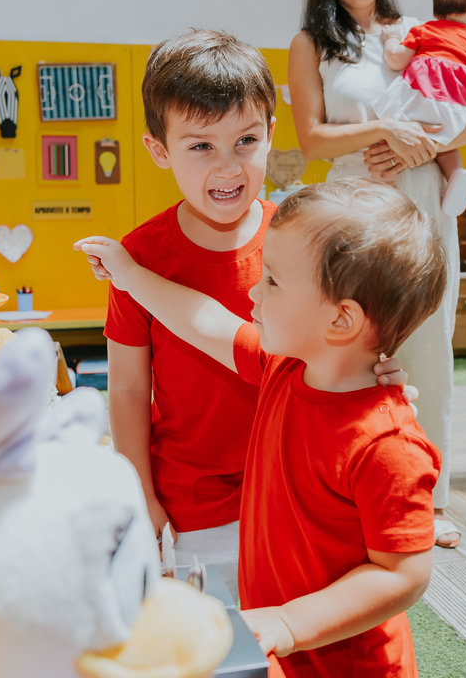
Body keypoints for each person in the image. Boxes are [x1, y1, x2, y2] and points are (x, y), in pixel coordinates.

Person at [76, 179, 446, 677]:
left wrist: (289, 622)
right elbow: (203, 319)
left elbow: (403, 573)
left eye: (271, 281)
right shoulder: (282, 370)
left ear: (341, 320)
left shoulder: (388, 445)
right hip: (281, 651)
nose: (253, 290)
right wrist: (130, 276)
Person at [104, 29, 411, 592]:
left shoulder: (301, 240)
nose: (228, 167)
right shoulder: (139, 260)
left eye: (245, 140)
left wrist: (372, 374)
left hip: (298, 487)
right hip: (192, 502)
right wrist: (140, 492)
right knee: (211, 629)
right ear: (159, 150)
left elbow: (338, 346)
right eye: (201, 146)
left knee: (294, 623)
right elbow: (126, 387)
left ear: (270, 134)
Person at [287, 0, 466, 548]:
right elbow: (312, 139)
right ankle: (351, 490)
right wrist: (384, 131)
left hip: (422, 197)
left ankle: (426, 499)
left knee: (428, 348)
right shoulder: (312, 44)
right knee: (354, 346)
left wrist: (418, 148)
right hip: (353, 204)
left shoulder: (415, 30)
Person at [376, 0, 466, 213]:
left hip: (412, 105)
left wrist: (391, 38)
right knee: (448, 146)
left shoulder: (424, 30)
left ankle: (386, 186)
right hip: (452, 113)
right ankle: (456, 175)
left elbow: (396, 60)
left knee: (389, 140)